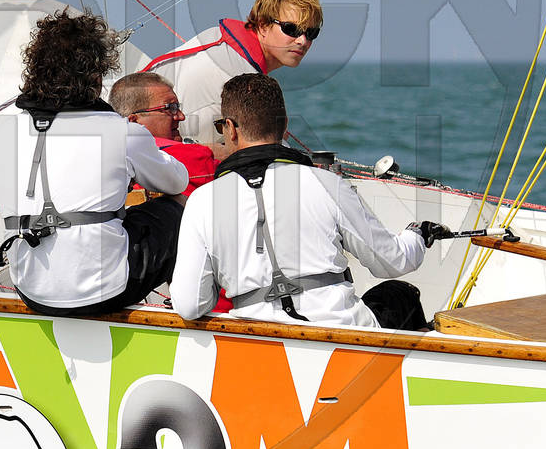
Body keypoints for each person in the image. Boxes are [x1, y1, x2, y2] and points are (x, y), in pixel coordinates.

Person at [170, 74, 451, 328]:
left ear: (230, 128)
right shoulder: (327, 184)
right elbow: (393, 262)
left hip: (257, 338)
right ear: (284, 126)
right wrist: (417, 235)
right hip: (341, 332)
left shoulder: (202, 201)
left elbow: (189, 305)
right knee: (399, 295)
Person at [0, 10, 189, 317]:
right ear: (96, 77)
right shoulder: (121, 131)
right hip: (103, 292)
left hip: (31, 290)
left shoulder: (5, 131)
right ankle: (187, 305)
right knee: (178, 207)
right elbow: (177, 181)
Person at [144, 0, 323, 145]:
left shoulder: (219, 39)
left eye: (311, 33)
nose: (303, 41)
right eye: (291, 29)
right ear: (263, 26)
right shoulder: (244, 79)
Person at [108, 71, 216, 193]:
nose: (181, 117)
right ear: (134, 122)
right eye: (170, 108)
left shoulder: (104, 161)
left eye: (177, 107)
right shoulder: (194, 157)